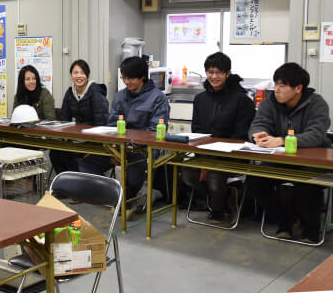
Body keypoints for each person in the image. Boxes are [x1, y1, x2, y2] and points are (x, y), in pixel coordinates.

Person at [249, 62, 331, 243]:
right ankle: (286, 221)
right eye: (275, 84)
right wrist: (259, 135)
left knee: (306, 184)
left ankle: (311, 229)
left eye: (282, 85)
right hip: (280, 159)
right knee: (255, 179)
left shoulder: (317, 104)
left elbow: (316, 135)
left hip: (311, 161)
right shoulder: (269, 102)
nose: (276, 89)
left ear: (298, 88)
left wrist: (281, 141)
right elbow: (258, 123)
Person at [80, 56, 169, 203]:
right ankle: (112, 194)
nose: (127, 82)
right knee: (86, 165)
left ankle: (131, 197)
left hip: (141, 151)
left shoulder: (158, 98)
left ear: (142, 77)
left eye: (131, 78)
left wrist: (127, 148)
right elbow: (111, 125)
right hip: (118, 148)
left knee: (133, 179)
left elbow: (154, 132)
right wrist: (114, 147)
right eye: (124, 78)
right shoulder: (120, 96)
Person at [180, 52, 255, 224]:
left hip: (233, 155)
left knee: (214, 174)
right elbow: (197, 130)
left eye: (218, 72)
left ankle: (218, 209)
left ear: (228, 74)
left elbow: (240, 135)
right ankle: (224, 196)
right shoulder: (200, 99)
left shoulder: (241, 100)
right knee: (187, 172)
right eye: (210, 72)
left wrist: (212, 159)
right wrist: (204, 158)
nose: (214, 76)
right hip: (204, 153)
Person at [49, 60, 108, 174]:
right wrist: (61, 140)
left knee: (71, 157)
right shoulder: (70, 92)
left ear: (88, 75)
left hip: (93, 141)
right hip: (77, 139)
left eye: (82, 72)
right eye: (75, 72)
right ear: (71, 75)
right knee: (55, 152)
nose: (79, 76)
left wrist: (94, 148)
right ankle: (65, 183)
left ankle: (77, 183)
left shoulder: (95, 91)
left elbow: (102, 123)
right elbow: (64, 120)